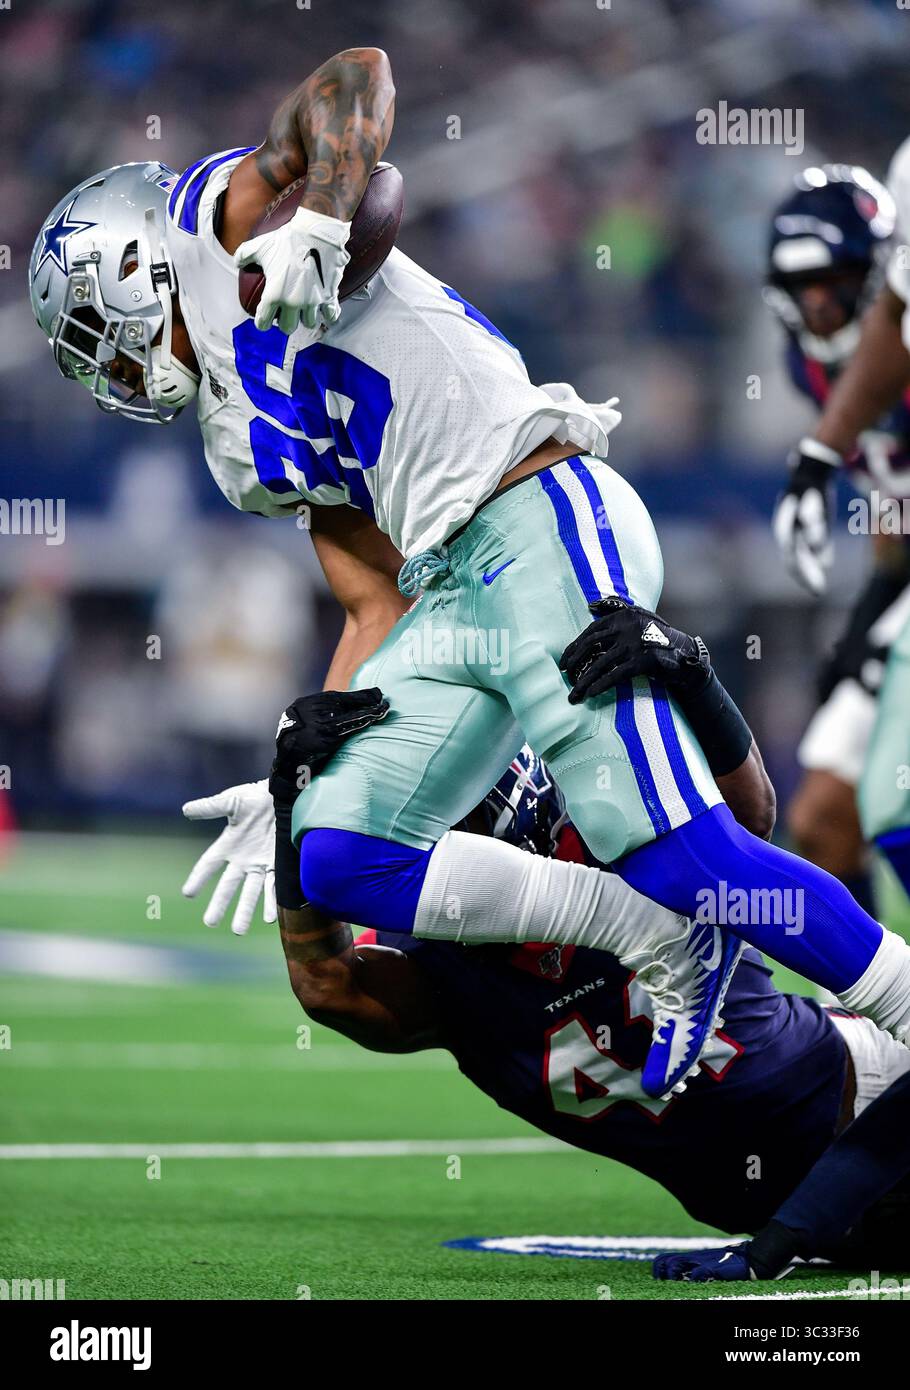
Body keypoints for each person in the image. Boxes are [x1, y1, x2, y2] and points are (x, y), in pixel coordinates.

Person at [31, 50, 910, 1097]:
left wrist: (324, 207)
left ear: (132, 270)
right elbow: (369, 595)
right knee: (339, 849)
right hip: (451, 591)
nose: (113, 369)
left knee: (684, 854)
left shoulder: (220, 226)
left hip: (537, 513)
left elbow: (354, 80)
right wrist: (303, 759)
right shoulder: (232, 436)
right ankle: (654, 938)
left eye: (101, 337)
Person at [765, 164, 910, 920]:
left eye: (839, 277)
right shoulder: (813, 370)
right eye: (805, 285)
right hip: (903, 589)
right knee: (822, 814)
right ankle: (876, 1013)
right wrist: (869, 617)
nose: (820, 303)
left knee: (896, 803)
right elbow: (892, 506)